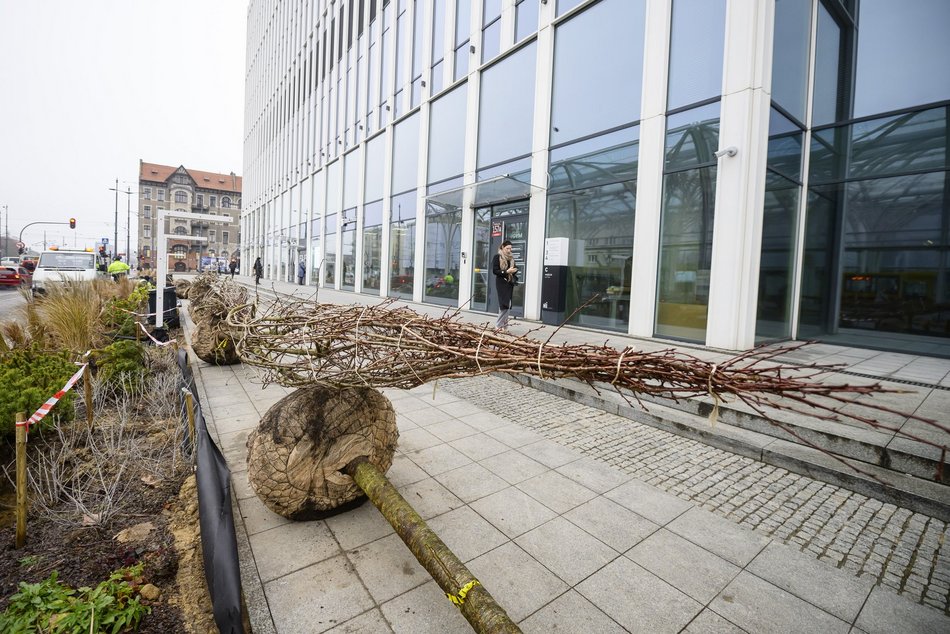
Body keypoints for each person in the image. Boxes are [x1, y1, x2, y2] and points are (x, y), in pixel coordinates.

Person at [491, 240, 518, 331]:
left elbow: (515, 268)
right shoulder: (497, 257)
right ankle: (498, 326)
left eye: (510, 248)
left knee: (507, 304)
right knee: (504, 304)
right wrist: (506, 272)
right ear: (502, 247)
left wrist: (514, 271)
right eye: (507, 248)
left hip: (509, 283)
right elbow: (495, 271)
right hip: (501, 283)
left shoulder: (511, 258)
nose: (509, 250)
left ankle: (504, 326)